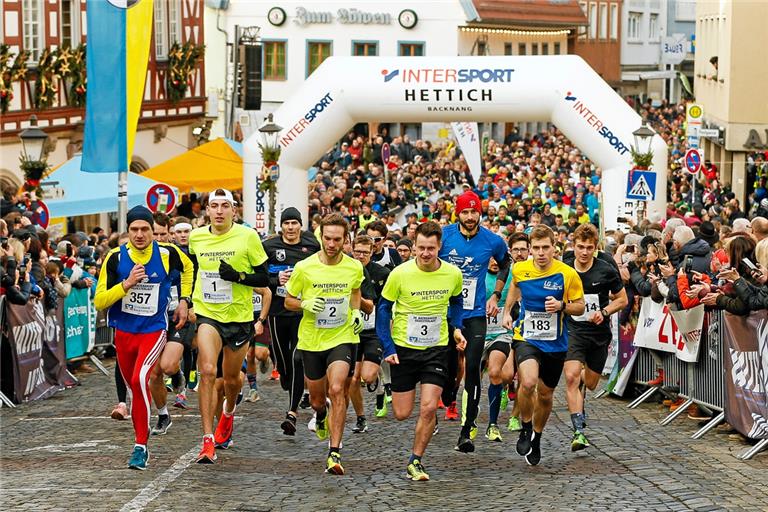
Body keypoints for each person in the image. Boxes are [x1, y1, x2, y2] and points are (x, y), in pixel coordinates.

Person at [94, 206, 191, 470]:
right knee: (134, 387)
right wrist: (126, 285)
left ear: (152, 230)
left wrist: (185, 300)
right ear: (127, 231)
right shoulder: (115, 258)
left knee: (140, 378)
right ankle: (142, 442)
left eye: (144, 229)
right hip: (124, 333)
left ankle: (139, 445)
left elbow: (189, 268)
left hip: (153, 329)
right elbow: (99, 300)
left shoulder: (167, 253)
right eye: (134, 229)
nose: (139, 234)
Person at [376, 221, 465, 481]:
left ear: (440, 247)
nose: (426, 253)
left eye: (431, 248)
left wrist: (457, 327)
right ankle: (424, 421)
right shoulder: (400, 274)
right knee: (402, 413)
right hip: (404, 349)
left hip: (436, 349)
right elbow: (383, 309)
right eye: (421, 248)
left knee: (428, 408)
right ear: (414, 247)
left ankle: (416, 461)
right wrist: (388, 347)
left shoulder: (452, 274)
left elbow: (457, 301)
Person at [188, 189, 269, 464]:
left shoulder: (248, 237)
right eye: (214, 206)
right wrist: (187, 302)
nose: (219, 211)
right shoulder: (196, 237)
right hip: (207, 313)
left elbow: (265, 277)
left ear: (234, 210)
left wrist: (238, 276)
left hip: (238, 317)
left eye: (225, 206)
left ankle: (229, 411)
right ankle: (207, 440)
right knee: (208, 371)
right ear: (207, 211)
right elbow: (192, 271)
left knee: (232, 379)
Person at [284, 213, 365, 475]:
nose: (331, 244)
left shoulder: (353, 266)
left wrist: (355, 313)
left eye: (337, 239)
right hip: (312, 340)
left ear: (345, 239)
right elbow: (288, 300)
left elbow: (355, 292)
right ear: (320, 237)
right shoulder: (304, 267)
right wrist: (304, 304)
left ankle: (334, 453)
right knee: (318, 400)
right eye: (327, 238)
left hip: (343, 337)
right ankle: (320, 415)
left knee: (338, 387)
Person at [502, 225, 584, 466]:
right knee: (527, 382)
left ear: (554, 247)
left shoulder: (567, 274)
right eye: (535, 248)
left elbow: (579, 306)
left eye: (545, 248)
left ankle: (536, 437)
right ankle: (526, 427)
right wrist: (507, 311)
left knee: (546, 396)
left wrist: (561, 306)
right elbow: (515, 286)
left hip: (555, 342)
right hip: (526, 336)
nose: (540, 253)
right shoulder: (520, 268)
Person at [438, 191, 510, 453]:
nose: (470, 217)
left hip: (476, 314)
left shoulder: (492, 241)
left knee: (472, 369)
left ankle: (467, 429)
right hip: (444, 314)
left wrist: (496, 294)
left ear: (480, 212)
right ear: (457, 213)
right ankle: (447, 394)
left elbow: (505, 264)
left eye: (474, 212)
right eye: (465, 212)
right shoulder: (444, 236)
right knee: (446, 369)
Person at [562, 224, 627, 451]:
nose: (584, 252)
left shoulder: (605, 269)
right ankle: (578, 431)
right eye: (580, 247)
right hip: (573, 330)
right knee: (570, 376)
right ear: (574, 246)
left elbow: (622, 299)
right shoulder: (565, 268)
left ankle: (581, 386)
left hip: (599, 334)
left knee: (588, 383)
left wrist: (605, 312)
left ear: (595, 247)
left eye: (589, 248)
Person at [262, 207, 321, 435]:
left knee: (297, 359)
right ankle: (289, 383)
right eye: (286, 223)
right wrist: (276, 278)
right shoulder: (269, 247)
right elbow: (260, 274)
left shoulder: (312, 246)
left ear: (300, 225)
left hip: (302, 312)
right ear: (281, 226)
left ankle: (292, 412)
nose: (290, 227)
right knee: (283, 363)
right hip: (278, 311)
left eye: (294, 223)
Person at [149, 213, 196, 433]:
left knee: (167, 366)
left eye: (162, 234)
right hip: (154, 319)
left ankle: (177, 374)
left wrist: (188, 302)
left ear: (170, 234)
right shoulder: (143, 256)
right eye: (154, 234)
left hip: (179, 317)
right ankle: (163, 415)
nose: (158, 238)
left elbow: (192, 276)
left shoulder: (179, 256)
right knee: (155, 373)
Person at [484, 233, 530, 441]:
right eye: (516, 250)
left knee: (525, 378)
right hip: (506, 327)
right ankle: (503, 388)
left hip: (527, 329)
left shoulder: (533, 270)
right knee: (505, 374)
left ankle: (514, 416)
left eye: (524, 249)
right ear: (510, 252)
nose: (520, 253)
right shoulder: (506, 271)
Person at [348, 235, 390, 433]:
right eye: (357, 252)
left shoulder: (382, 273)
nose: (361, 256)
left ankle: (379, 383)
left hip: (374, 331)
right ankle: (361, 417)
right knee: (354, 379)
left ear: (372, 252)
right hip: (353, 331)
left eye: (365, 252)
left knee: (367, 376)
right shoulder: (346, 269)